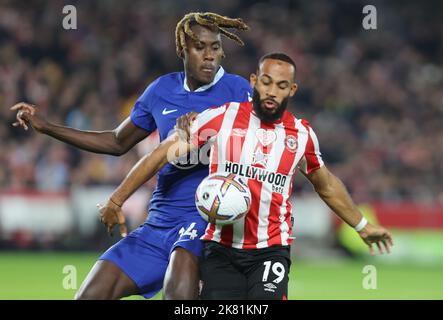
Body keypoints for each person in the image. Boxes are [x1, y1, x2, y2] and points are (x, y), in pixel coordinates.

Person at [98, 52, 394, 300]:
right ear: (254, 82)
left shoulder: (302, 135)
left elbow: (325, 184)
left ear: (291, 90)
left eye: (281, 85)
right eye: (266, 82)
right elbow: (161, 153)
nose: (271, 91)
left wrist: (362, 224)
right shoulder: (221, 117)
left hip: (270, 250)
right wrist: (117, 198)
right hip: (219, 249)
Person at [10, 12, 251, 300]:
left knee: (178, 295)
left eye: (215, 47)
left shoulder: (238, 91)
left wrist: (210, 126)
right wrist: (47, 127)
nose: (209, 56)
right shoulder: (161, 90)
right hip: (160, 221)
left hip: (206, 220)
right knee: (90, 296)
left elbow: (262, 141)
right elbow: (116, 141)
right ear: (182, 50)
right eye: (200, 47)